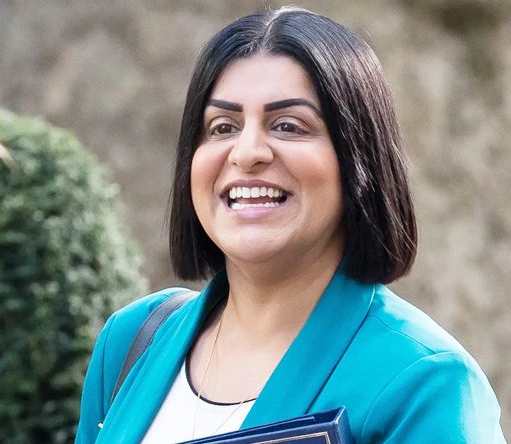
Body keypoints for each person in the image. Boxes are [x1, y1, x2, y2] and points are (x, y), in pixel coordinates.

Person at [75, 7, 506, 443]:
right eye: (222, 127)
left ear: (358, 159)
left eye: (288, 126)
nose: (247, 153)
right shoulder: (132, 342)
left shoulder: (426, 383)